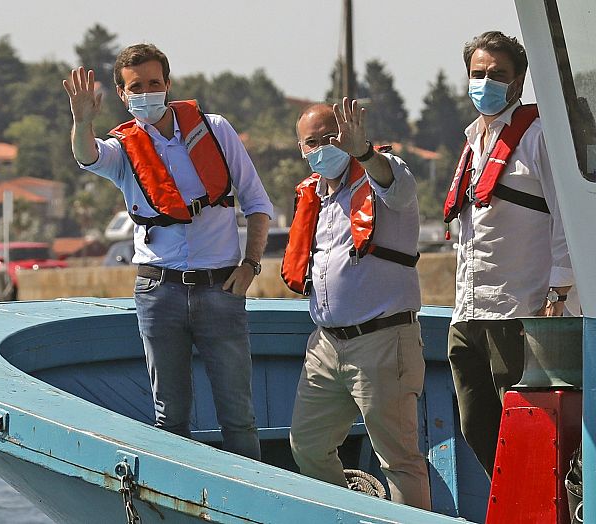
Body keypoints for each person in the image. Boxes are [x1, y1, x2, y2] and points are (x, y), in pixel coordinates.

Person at [61, 43, 273, 460]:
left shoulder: (215, 130)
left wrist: (250, 265)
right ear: (123, 95)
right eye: (135, 86)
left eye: (153, 83)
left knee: (239, 415)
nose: (145, 92)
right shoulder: (122, 149)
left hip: (221, 289)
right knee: (169, 416)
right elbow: (87, 156)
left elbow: (257, 202)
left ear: (168, 84)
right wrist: (81, 122)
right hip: (159, 292)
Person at [283, 99, 430, 509]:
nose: (322, 148)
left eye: (330, 138)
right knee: (307, 446)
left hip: (382, 340)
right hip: (326, 345)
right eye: (311, 142)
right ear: (301, 150)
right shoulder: (313, 196)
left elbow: (393, 186)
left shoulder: (384, 174)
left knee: (398, 459)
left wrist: (363, 151)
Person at [443, 31, 576, 477]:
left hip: (520, 311)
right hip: (468, 313)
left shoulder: (538, 138)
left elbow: (565, 218)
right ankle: (515, 499)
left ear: (518, 83)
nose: (485, 82)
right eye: (478, 74)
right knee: (475, 423)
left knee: (529, 426)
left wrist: (558, 294)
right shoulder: (471, 144)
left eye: (497, 75)